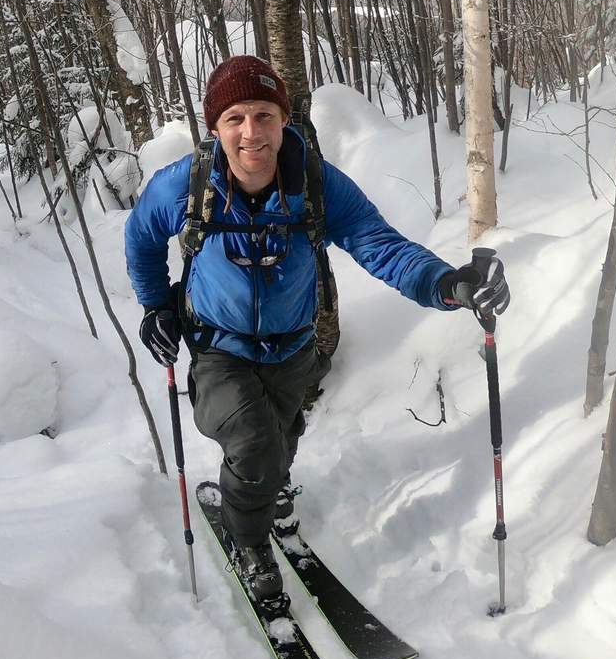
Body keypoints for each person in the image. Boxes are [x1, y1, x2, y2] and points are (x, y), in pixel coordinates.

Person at [124, 54, 510, 602]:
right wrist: (155, 307)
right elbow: (141, 240)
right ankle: (249, 539)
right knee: (255, 446)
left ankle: (268, 489)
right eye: (235, 118)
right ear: (216, 128)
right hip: (217, 347)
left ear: (284, 121)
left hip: (295, 347)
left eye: (263, 115)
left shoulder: (318, 185)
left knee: (280, 442)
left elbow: (380, 246)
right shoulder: (183, 186)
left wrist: (449, 285)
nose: (251, 132)